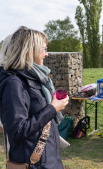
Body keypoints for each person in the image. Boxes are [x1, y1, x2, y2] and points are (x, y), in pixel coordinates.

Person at [0, 26, 69, 169]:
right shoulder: (14, 83)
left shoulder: (36, 78)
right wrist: (53, 108)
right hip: (33, 163)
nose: (47, 54)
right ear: (31, 51)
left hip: (49, 160)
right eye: (44, 49)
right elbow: (17, 131)